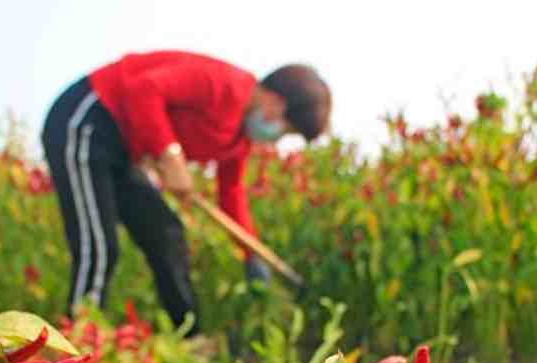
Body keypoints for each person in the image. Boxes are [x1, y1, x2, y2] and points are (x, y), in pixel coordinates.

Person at [40, 51, 331, 336]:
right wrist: (170, 154)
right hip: (89, 118)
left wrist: (251, 253)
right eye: (286, 128)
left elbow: (231, 193)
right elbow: (144, 89)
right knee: (100, 245)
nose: (277, 136)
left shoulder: (238, 140)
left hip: (125, 151)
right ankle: (76, 339)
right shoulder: (224, 84)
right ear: (276, 101)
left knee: (167, 233)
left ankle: (190, 338)